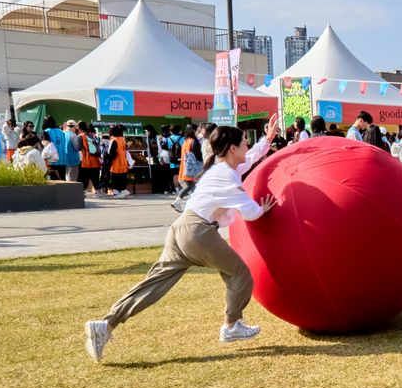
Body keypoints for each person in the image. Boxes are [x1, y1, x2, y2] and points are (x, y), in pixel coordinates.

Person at [84, 116, 281, 362]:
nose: (247, 148)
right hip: (198, 232)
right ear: (232, 148)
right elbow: (250, 214)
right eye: (244, 143)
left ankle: (105, 325)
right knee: (239, 272)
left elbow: (250, 159)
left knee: (153, 284)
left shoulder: (221, 168)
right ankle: (232, 325)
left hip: (180, 229)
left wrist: (268, 138)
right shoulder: (227, 177)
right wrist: (263, 207)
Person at [78, 121, 101, 194]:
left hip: (86, 161)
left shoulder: (81, 136)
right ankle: (97, 191)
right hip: (96, 161)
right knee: (95, 178)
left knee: (85, 177)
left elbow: (78, 148)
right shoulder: (95, 136)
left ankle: (84, 192)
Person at [61, 119, 82, 187]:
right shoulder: (73, 135)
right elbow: (77, 147)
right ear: (74, 127)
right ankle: (71, 193)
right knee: (72, 178)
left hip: (64, 159)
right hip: (73, 159)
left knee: (67, 176)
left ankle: (67, 191)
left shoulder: (63, 133)